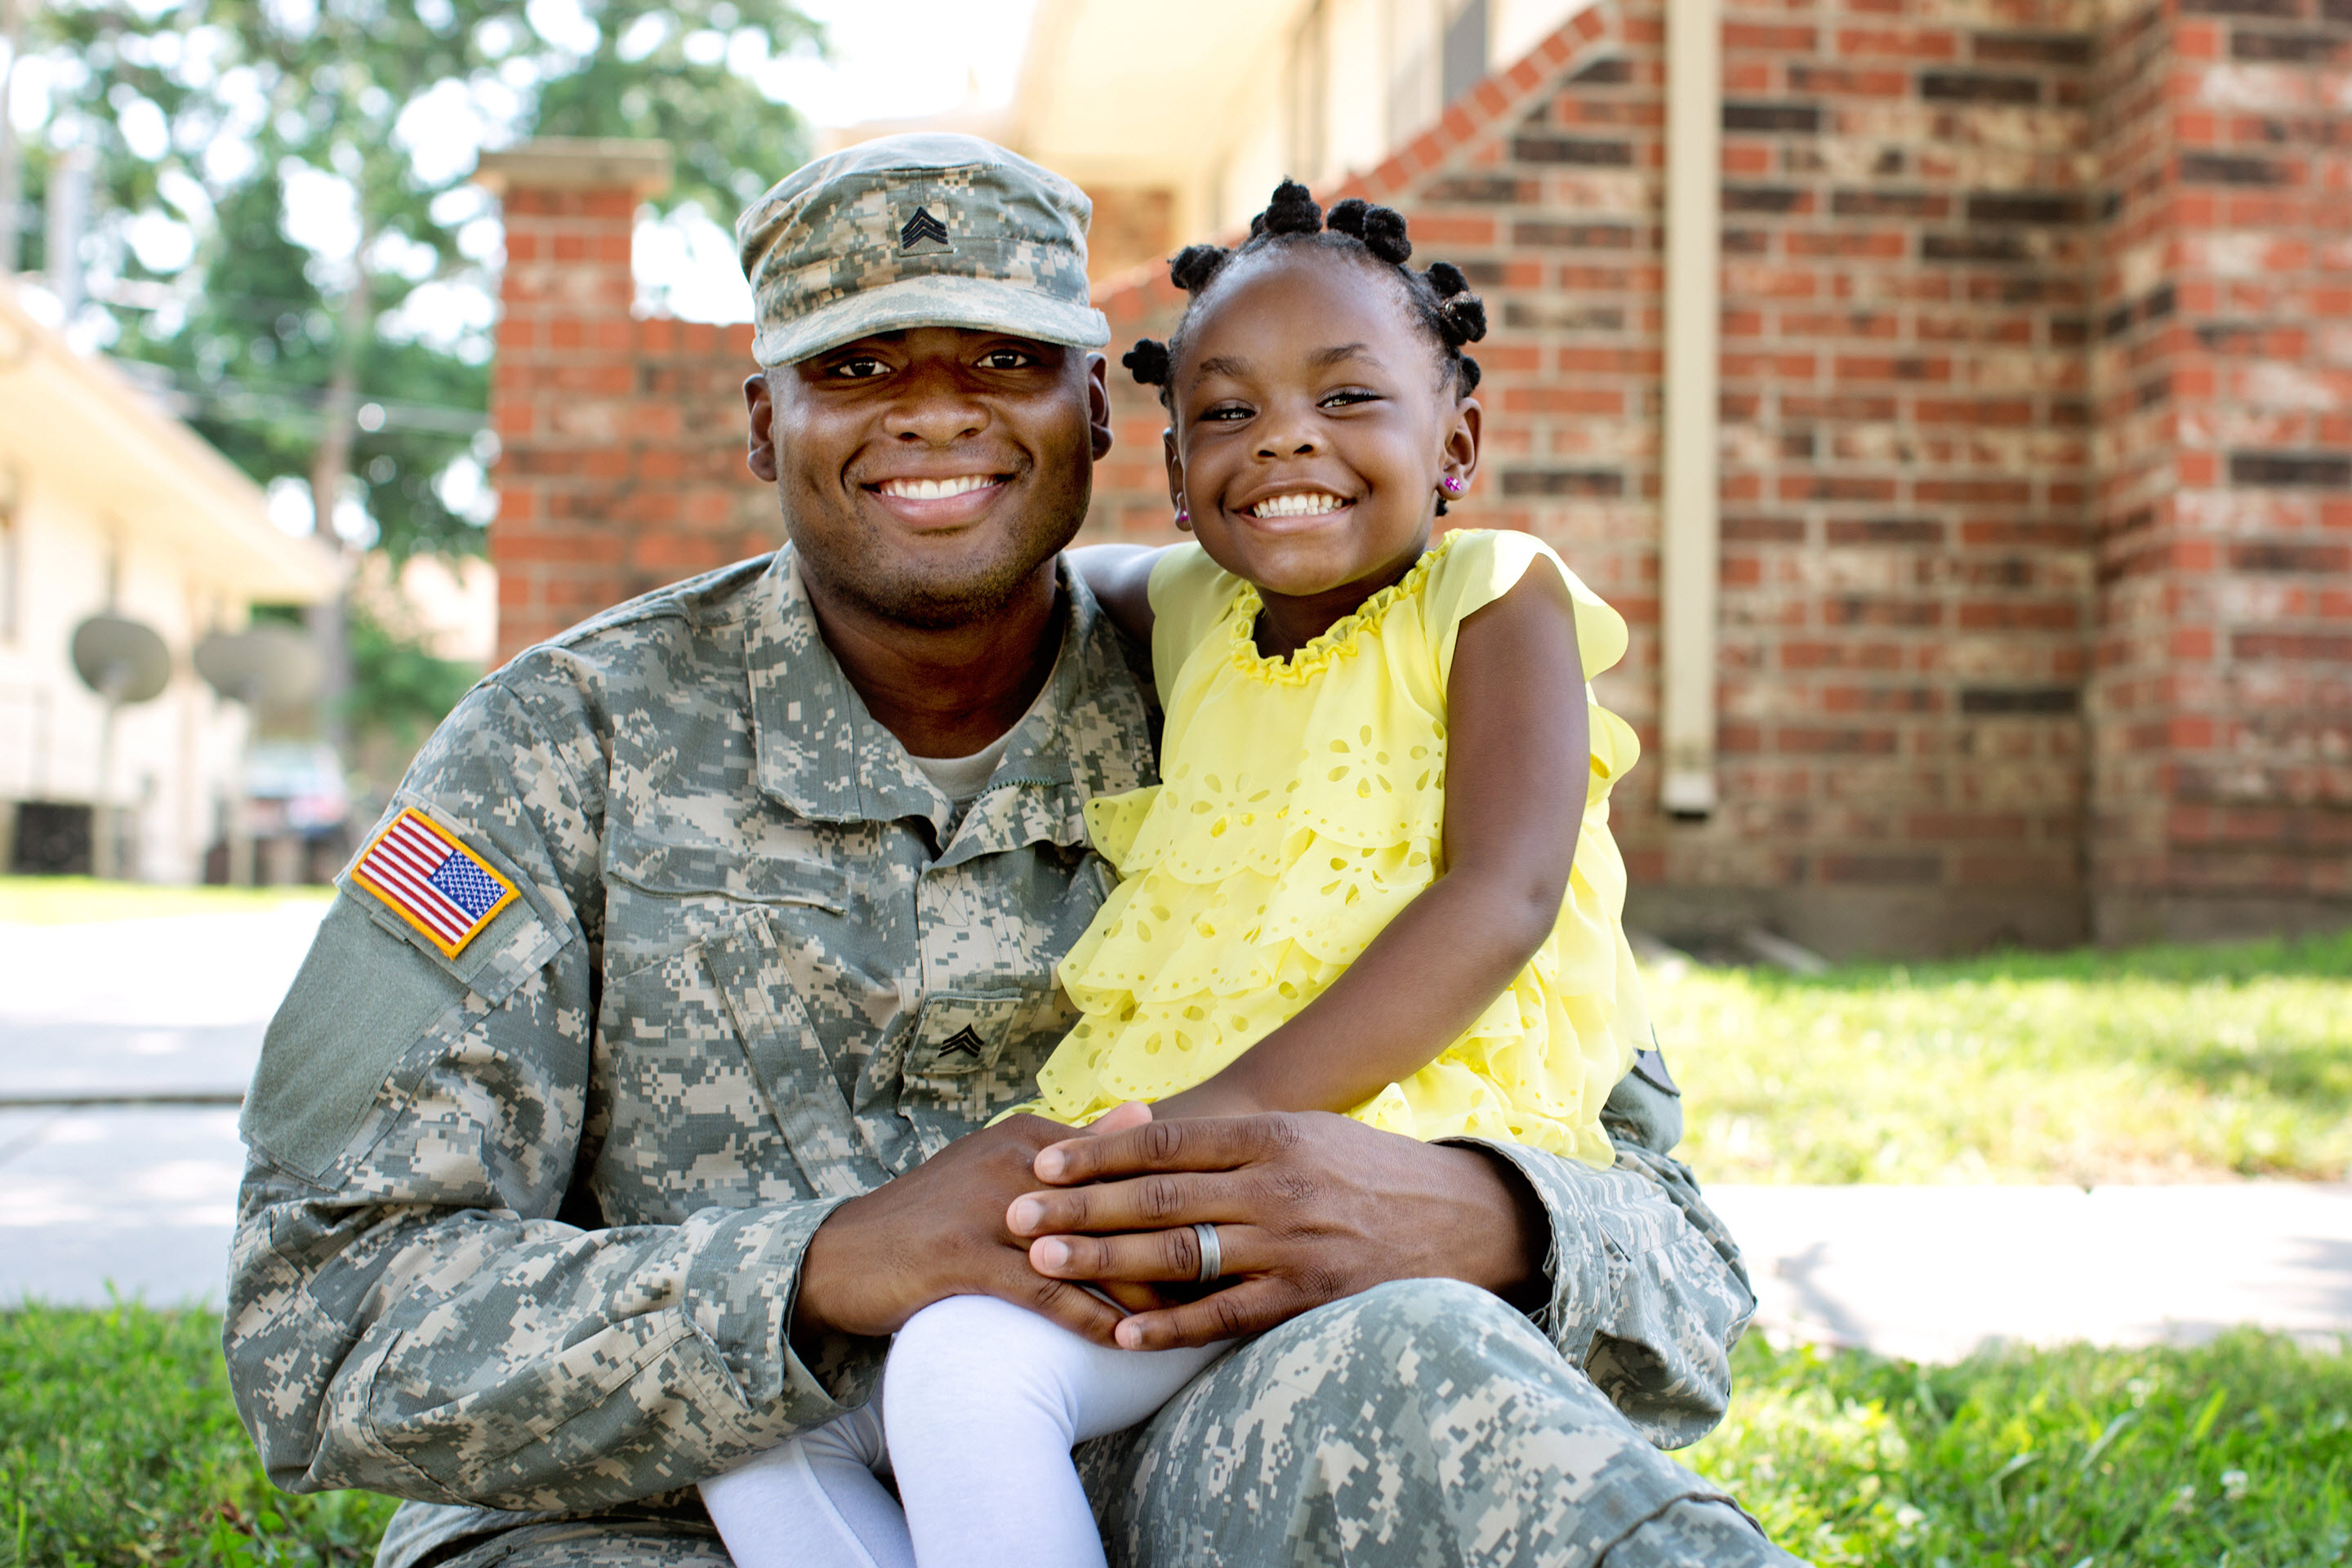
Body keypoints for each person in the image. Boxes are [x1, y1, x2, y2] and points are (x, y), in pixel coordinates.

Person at [225, 132, 1796, 1568]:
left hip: (1183, 1461)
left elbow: (1685, 1262)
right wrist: (816, 1271)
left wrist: (1486, 1218)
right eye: (856, 365)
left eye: (1004, 356)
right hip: (678, 1512)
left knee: (1445, 1401)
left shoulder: (1303, 694)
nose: (936, 409)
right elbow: (320, 1318)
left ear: (1104, 414)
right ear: (765, 419)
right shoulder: (563, 746)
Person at [700, 178, 1667, 1568]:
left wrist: (1201, 1134)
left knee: (972, 1378)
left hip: (1357, 1157)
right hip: (1165, 1160)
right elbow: (1045, 577)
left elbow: (1499, 901)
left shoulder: (1493, 597)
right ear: (1165, 460)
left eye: (1347, 401)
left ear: (1456, 437)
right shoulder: (1198, 613)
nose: (1284, 439)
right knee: (760, 1423)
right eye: (1227, 411)